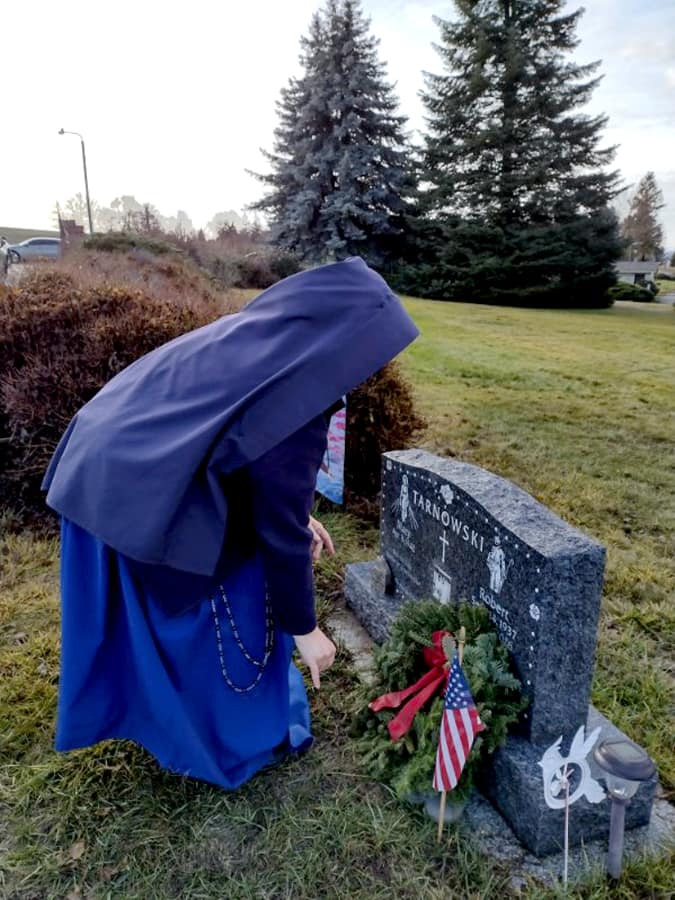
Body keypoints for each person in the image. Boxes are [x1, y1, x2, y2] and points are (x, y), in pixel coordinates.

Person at [42, 257, 419, 790]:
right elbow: (276, 521)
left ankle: (170, 719)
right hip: (133, 485)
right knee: (213, 594)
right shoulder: (299, 395)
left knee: (204, 579)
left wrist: (297, 512)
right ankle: (220, 741)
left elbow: (251, 458)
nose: (371, 367)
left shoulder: (258, 348)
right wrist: (305, 630)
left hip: (105, 462)